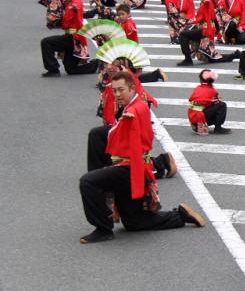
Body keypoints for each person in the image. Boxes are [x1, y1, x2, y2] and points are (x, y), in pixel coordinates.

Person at [78, 72, 206, 244]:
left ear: (132, 88)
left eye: (120, 90)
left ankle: (103, 229)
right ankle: (180, 216)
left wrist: (126, 122)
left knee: (88, 181)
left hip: (131, 168)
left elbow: (126, 136)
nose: (116, 94)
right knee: (134, 222)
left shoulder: (135, 109)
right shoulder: (132, 105)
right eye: (114, 91)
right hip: (129, 165)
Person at [41, 0, 97, 77]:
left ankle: (53, 69)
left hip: (74, 38)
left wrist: (55, 18)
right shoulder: (70, 2)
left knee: (46, 42)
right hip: (70, 37)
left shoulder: (76, 3)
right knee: (71, 69)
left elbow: (76, 10)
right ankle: (98, 64)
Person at [187, 69, 230, 135]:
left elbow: (192, 100)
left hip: (193, 119)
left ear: (200, 79)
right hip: (200, 118)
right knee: (222, 105)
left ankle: (198, 126)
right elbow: (212, 102)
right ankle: (218, 127)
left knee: (215, 104)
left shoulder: (198, 88)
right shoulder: (213, 91)